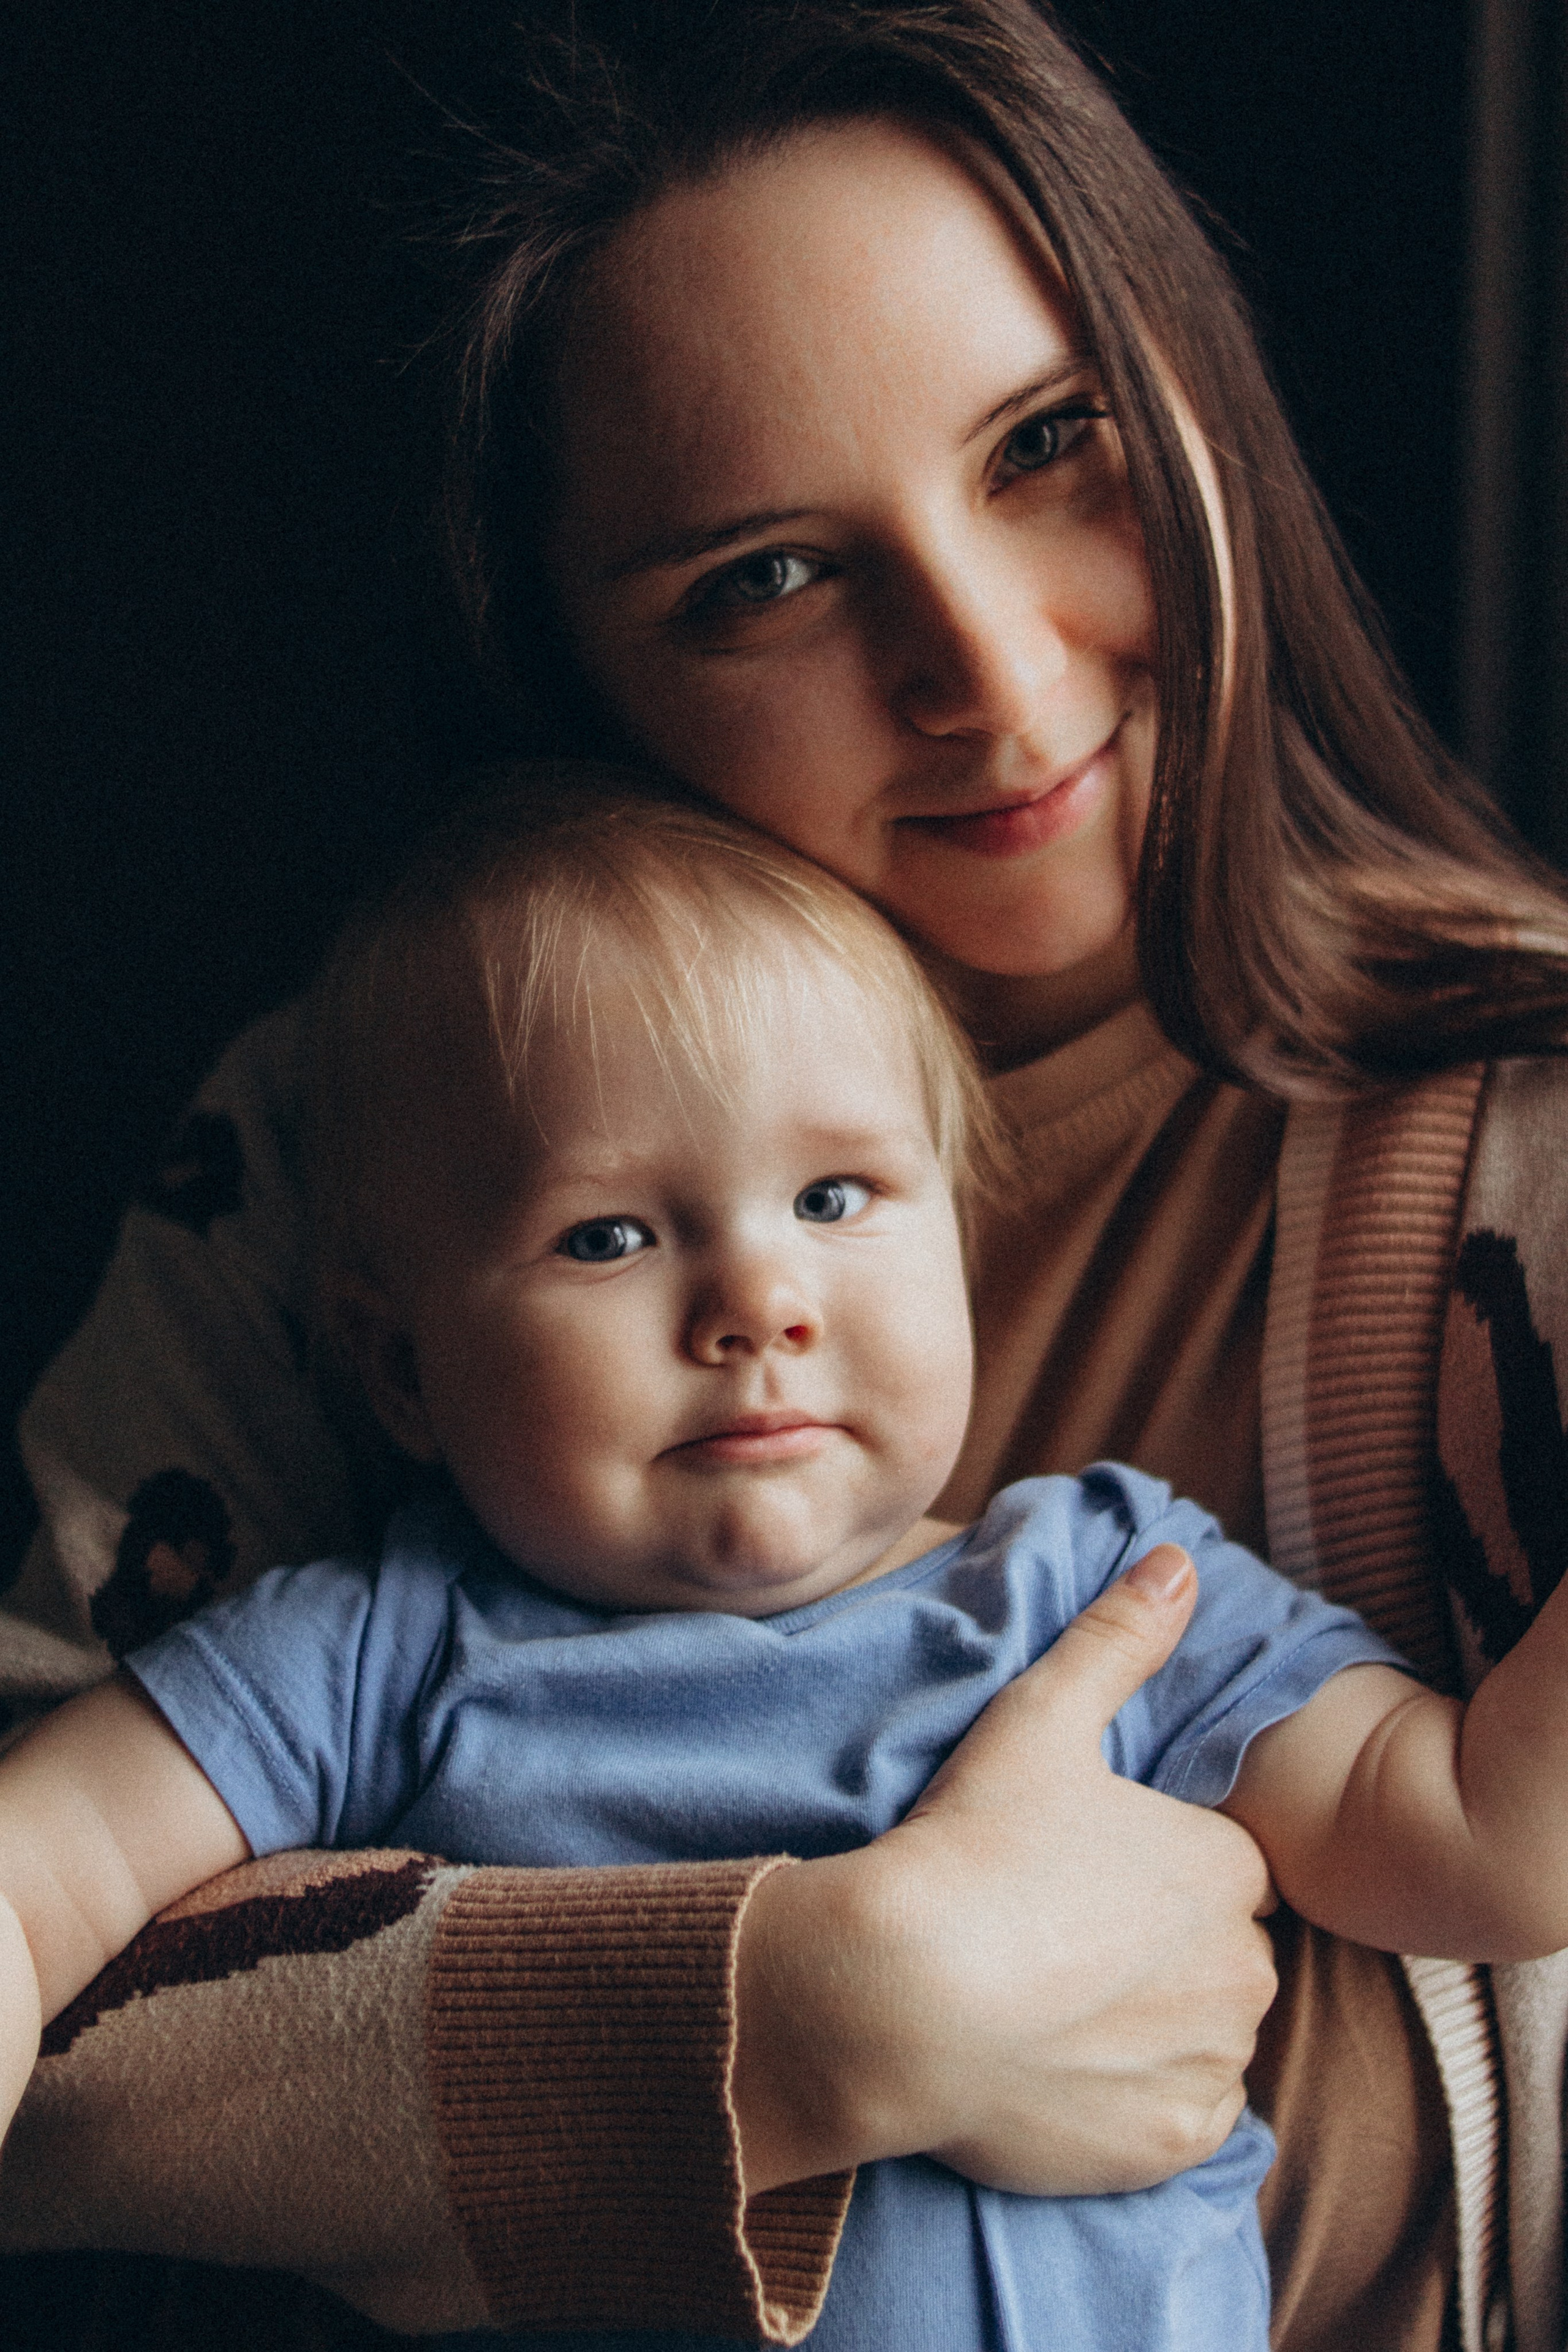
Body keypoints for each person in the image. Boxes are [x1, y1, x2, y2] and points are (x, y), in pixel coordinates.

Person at [6, 4, 1568, 2349]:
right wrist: (800, 2011)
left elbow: (1489, 1843)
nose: (990, 661)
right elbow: (50, 2006)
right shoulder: (359, 1140)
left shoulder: (1515, 1184)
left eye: (1053, 445)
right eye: (763, 579)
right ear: (580, 678)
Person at [9, 786, 1568, 2352]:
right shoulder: (370, 1656)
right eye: (608, 1236)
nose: (758, 1300)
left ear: (954, 1244)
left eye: (834, 1200)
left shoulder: (1107, 1589)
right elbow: (43, 1869)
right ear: (400, 1369)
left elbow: (1485, 1849)